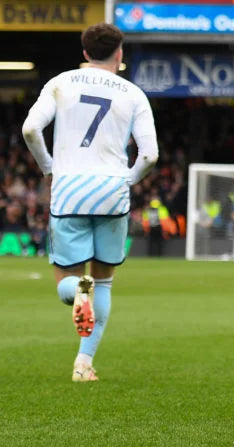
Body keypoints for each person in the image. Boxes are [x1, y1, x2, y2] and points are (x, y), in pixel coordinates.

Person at [21, 23, 159, 382]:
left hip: (70, 189)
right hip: (112, 192)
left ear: (84, 53)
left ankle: (76, 291)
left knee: (68, 278)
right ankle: (84, 364)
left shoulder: (60, 83)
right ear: (120, 53)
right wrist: (126, 180)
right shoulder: (133, 94)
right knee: (106, 281)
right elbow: (150, 156)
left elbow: (30, 130)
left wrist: (48, 167)